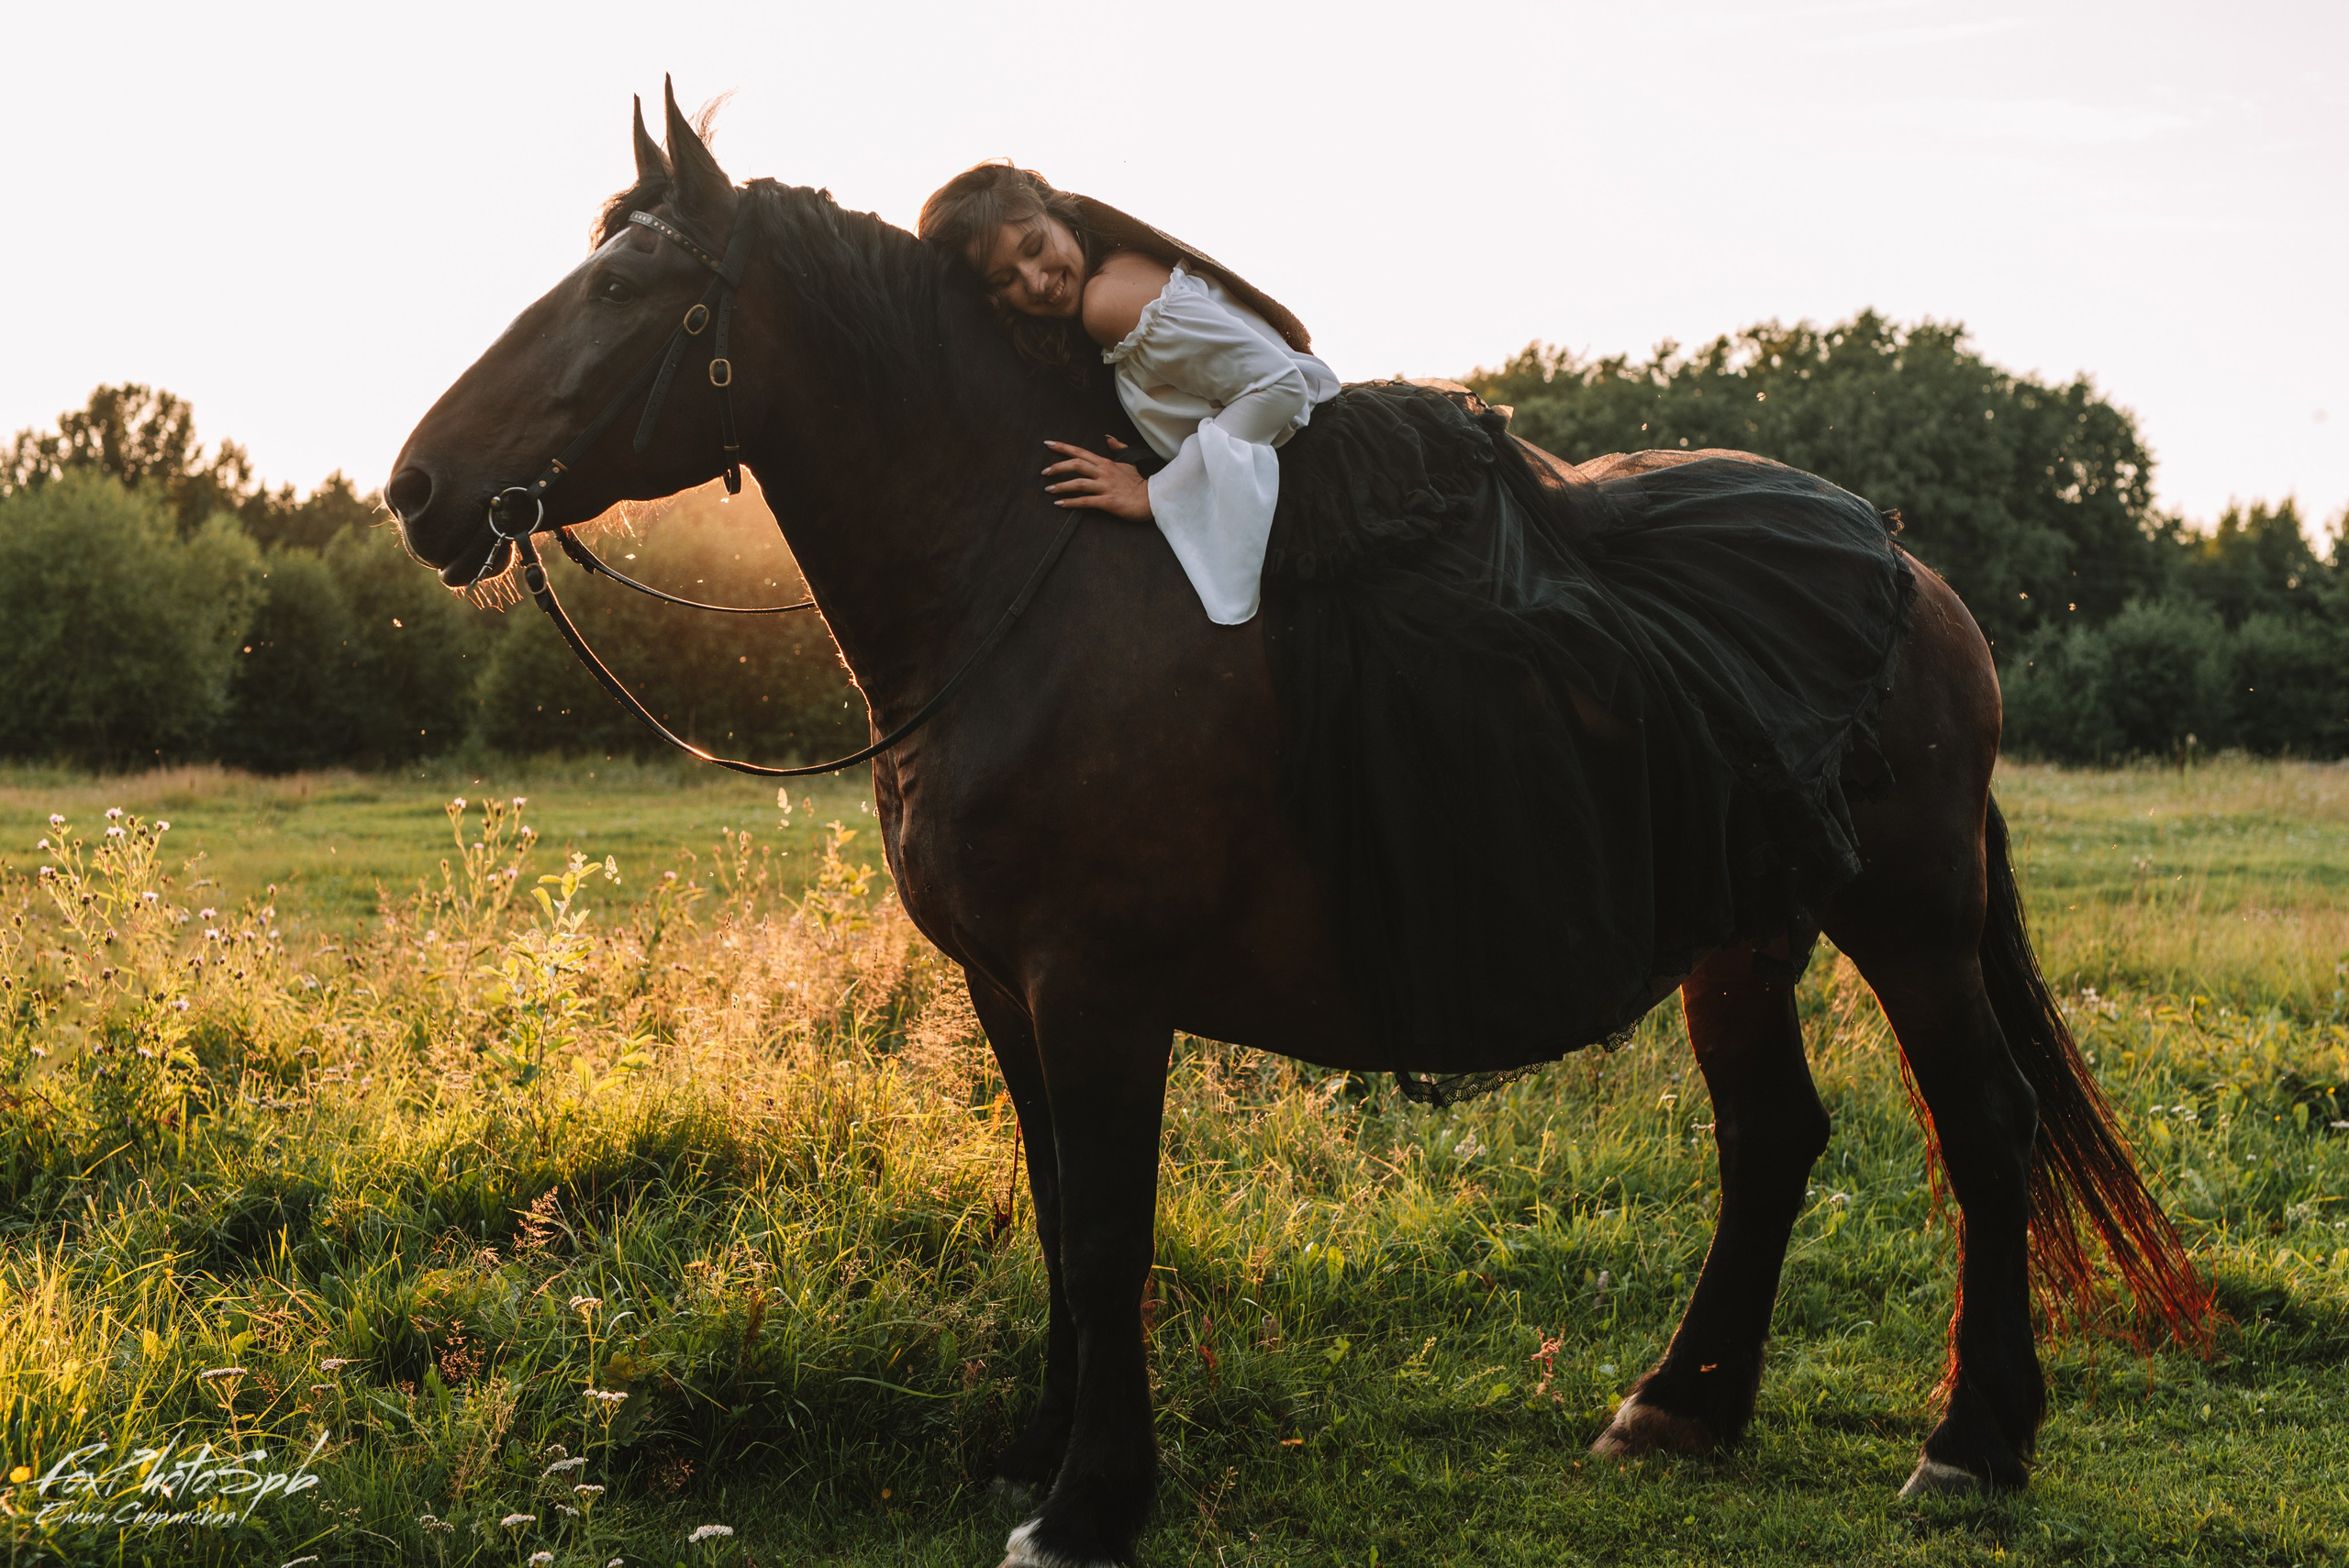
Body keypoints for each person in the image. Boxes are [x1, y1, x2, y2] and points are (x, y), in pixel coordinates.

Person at [918, 161, 1339, 626]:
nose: (1035, 281)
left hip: (1321, 477)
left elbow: (1280, 386)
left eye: (1035, 248)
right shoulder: (1114, 272)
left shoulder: (1107, 301)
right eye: (1004, 280)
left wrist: (1152, 492)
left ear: (1057, 213)